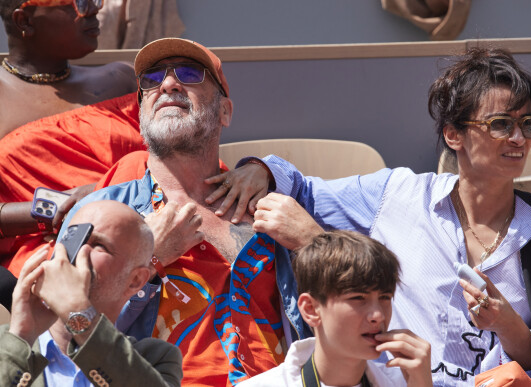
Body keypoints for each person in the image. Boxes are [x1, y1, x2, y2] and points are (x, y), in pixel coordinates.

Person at [213, 48, 531, 386]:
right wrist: (263, 169)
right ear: (454, 134)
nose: (519, 138)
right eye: (501, 124)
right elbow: (301, 190)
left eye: (529, 124)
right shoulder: (397, 194)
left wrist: (511, 329)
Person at [59, 37, 311, 386]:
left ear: (225, 112)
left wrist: (271, 172)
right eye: (151, 79)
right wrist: (147, 261)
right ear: (142, 110)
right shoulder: (101, 214)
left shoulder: (270, 204)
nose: (167, 83)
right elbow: (63, 336)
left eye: (190, 73)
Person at [0, 0, 146, 275]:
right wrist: (62, 206)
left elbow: (180, 156)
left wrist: (253, 167)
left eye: (94, 0)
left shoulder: (122, 77)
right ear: (24, 21)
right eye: (77, 3)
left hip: (159, 231)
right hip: (62, 261)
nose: (93, 9)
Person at [0, 200, 183, 386]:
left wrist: (76, 313)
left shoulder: (154, 359)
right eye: (73, 237)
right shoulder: (7, 344)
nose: (79, 249)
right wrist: (21, 337)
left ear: (135, 281)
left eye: (99, 245)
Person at [239, 230, 433, 387]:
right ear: (311, 309)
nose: (378, 315)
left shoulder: (407, 382)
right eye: (358, 298)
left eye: (385, 297)